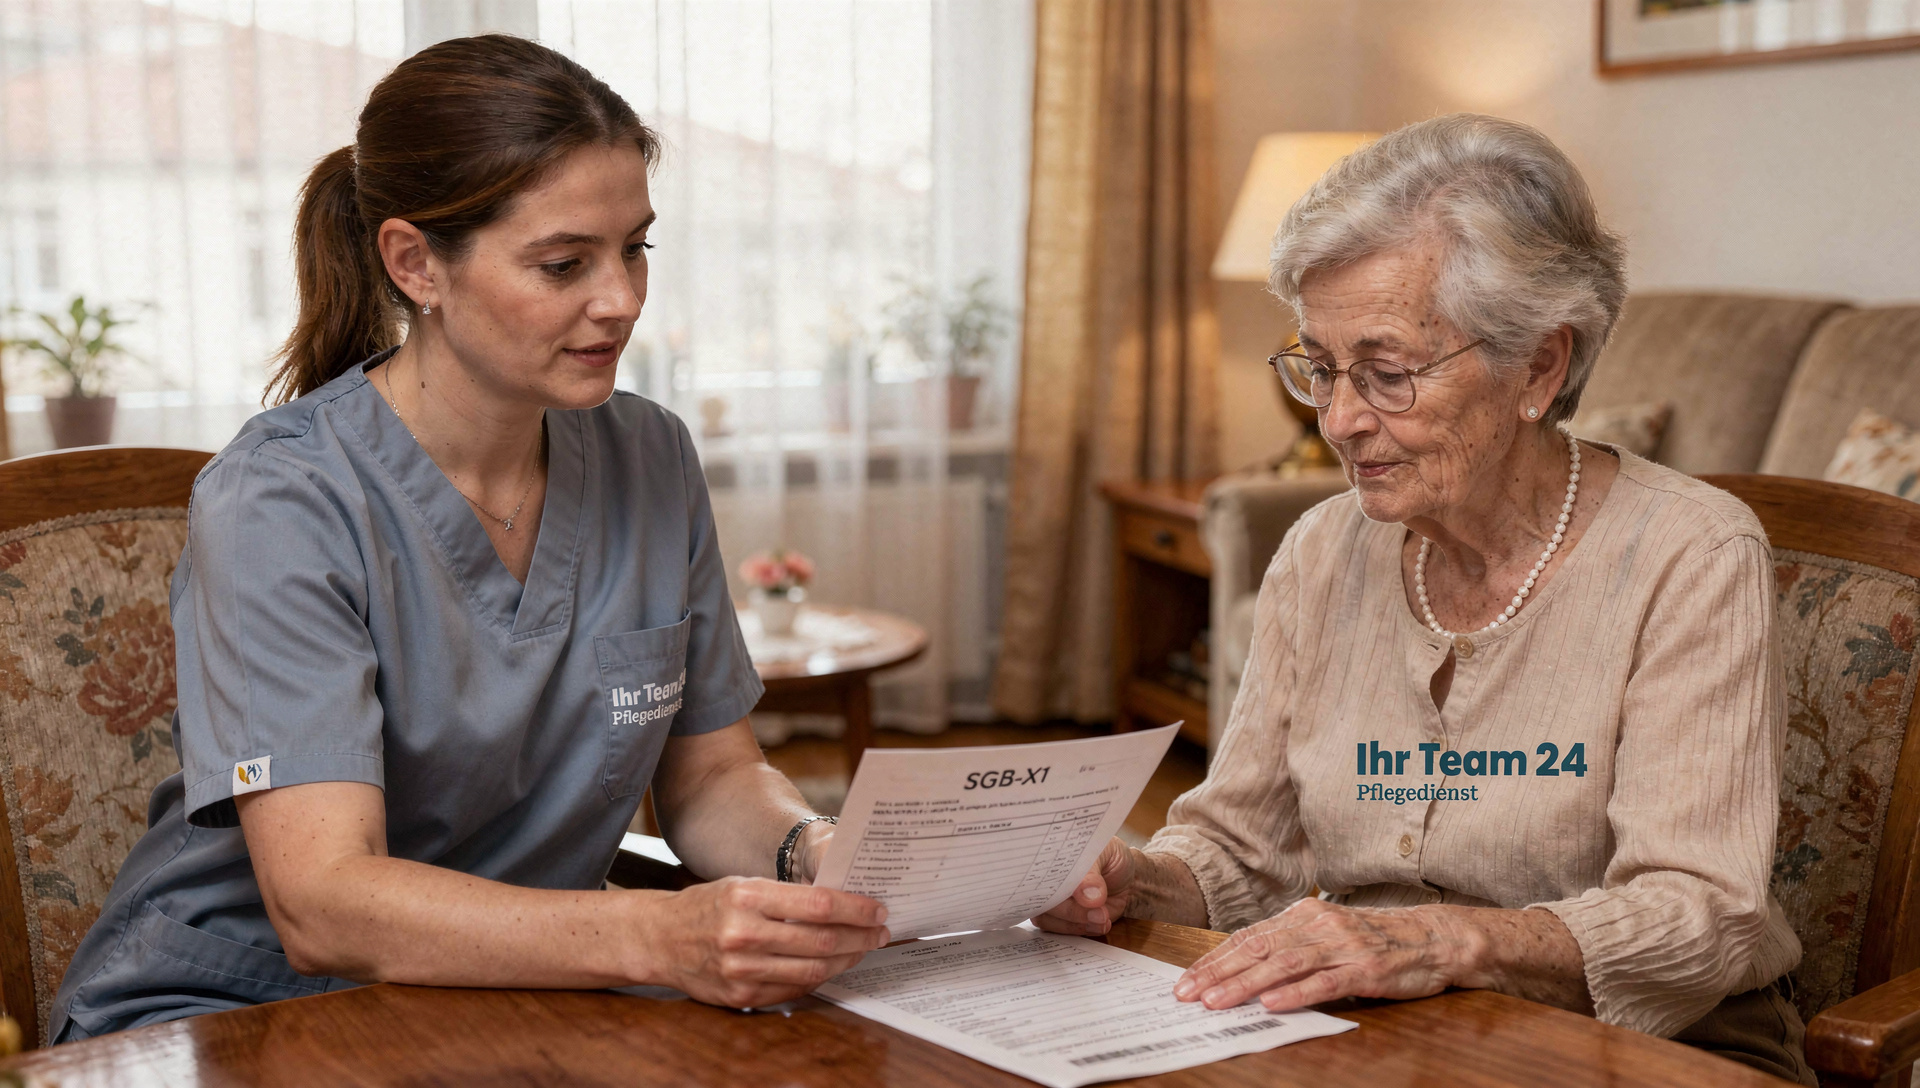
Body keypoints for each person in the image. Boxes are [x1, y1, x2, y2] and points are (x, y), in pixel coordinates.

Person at [52, 35, 888, 1042]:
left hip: (522, 1001)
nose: (621, 298)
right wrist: (660, 934)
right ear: (415, 264)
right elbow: (323, 900)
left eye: (637, 248)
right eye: (564, 263)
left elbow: (711, 779)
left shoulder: (649, 455)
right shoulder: (281, 499)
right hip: (244, 1012)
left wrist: (820, 853)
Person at [1037, 114, 1812, 1084]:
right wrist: (1131, 878)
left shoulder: (1690, 556)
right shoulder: (1322, 551)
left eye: (1387, 373)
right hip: (1389, 1039)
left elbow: (1701, 914)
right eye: (1319, 367)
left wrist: (1443, 941)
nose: (1340, 420)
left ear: (1539, 365)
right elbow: (1237, 848)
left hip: (1657, 1052)